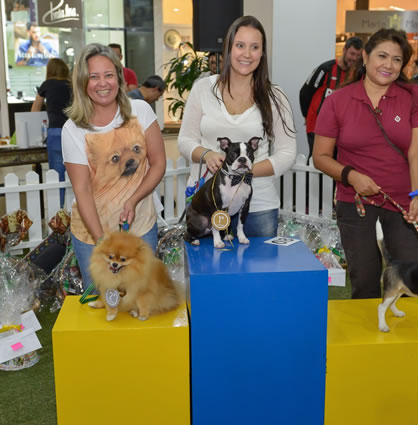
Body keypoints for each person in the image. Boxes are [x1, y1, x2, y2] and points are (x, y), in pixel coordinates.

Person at [312, 28, 418, 299]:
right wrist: (350, 176)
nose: (388, 65)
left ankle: (405, 340)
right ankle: (368, 337)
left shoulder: (415, 96)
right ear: (365, 57)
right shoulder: (337, 101)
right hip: (354, 203)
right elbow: (320, 156)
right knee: (364, 282)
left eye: (396, 59)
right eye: (382, 56)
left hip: (407, 203)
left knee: (411, 282)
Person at [178, 15, 296, 238]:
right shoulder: (203, 88)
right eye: (240, 45)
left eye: (255, 47)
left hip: (256, 205)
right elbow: (185, 141)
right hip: (207, 204)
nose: (247, 54)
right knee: (206, 271)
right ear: (228, 48)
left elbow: (287, 153)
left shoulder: (275, 96)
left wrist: (244, 169)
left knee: (258, 273)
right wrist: (207, 154)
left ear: (262, 53)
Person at [62, 43, 167, 289]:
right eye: (94, 77)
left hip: (140, 226)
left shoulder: (140, 111)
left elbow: (158, 163)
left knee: (141, 298)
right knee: (103, 305)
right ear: (83, 82)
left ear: (119, 78)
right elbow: (83, 190)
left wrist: (133, 200)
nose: (103, 83)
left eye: (109, 75)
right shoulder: (73, 129)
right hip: (92, 235)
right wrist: (103, 244)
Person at [299, 36, 363, 156]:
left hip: (341, 130)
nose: (354, 58)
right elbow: (305, 92)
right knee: (316, 162)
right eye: (352, 54)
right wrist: (306, 116)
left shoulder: (357, 75)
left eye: (358, 55)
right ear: (344, 50)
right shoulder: (326, 69)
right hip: (316, 126)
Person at [31, 58, 72, 203]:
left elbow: (35, 109)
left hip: (55, 133)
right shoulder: (72, 85)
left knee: (56, 175)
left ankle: (59, 211)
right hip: (73, 132)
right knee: (77, 174)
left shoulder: (47, 85)